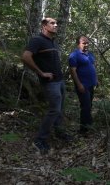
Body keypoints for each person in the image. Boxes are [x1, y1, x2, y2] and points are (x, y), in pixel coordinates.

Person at [21, 17, 73, 155]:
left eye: (57, 23)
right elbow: (26, 56)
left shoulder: (52, 42)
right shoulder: (37, 40)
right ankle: (39, 140)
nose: (56, 25)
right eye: (52, 23)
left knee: (60, 109)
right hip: (50, 83)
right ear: (44, 26)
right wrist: (41, 73)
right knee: (54, 110)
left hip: (60, 81)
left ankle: (59, 132)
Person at [69, 35, 98, 135]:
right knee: (85, 106)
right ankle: (83, 130)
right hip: (83, 85)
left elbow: (92, 66)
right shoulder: (74, 55)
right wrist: (79, 85)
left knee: (89, 105)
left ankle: (89, 125)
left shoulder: (90, 54)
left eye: (87, 43)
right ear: (78, 44)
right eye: (84, 43)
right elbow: (73, 72)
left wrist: (96, 80)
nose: (86, 44)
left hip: (91, 85)